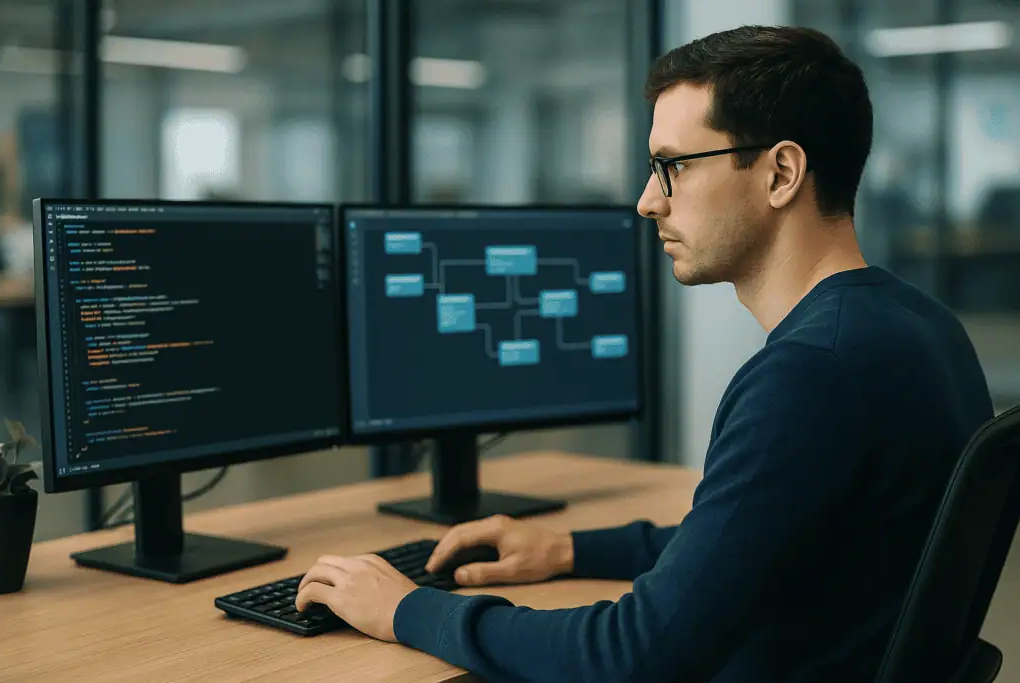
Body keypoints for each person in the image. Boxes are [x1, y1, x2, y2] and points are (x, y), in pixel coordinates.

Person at [293, 25, 994, 683]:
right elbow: (744, 546)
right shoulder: (920, 328)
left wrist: (406, 608)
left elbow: (631, 655)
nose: (645, 201)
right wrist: (569, 550)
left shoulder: (809, 375)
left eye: (672, 168)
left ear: (781, 173)